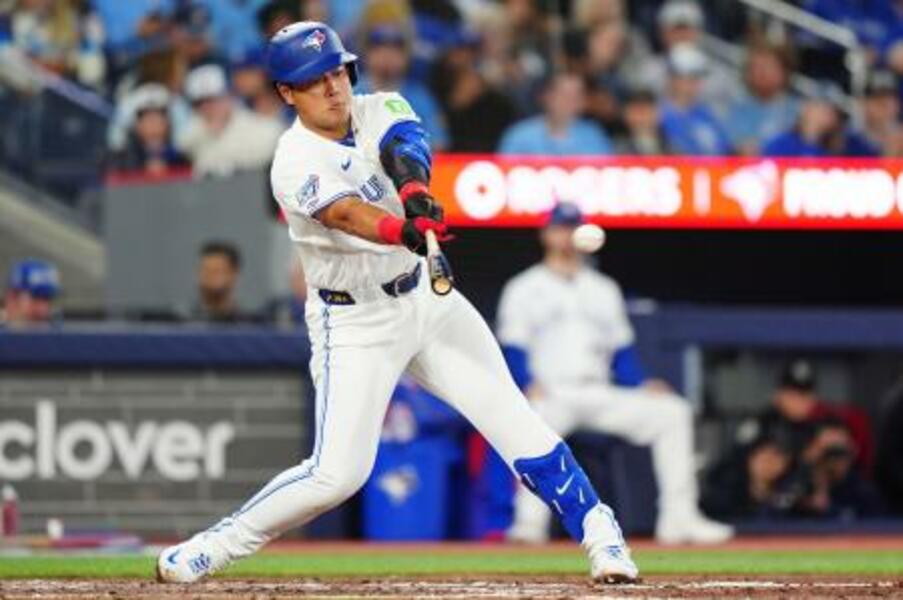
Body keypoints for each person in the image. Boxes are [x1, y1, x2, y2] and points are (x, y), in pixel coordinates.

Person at [156, 21, 638, 585]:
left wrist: (415, 195)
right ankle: (217, 543)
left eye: (337, 72)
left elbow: (405, 147)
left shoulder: (382, 104)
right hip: (354, 319)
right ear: (287, 92)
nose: (332, 87)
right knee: (336, 475)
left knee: (515, 422)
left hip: (426, 300)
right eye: (313, 80)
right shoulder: (291, 159)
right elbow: (344, 213)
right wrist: (399, 229)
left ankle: (601, 534)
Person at [497, 203, 733, 545]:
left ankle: (679, 519)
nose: (566, 234)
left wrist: (641, 383)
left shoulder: (603, 288)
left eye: (572, 227)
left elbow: (621, 353)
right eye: (560, 227)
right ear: (545, 234)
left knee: (673, 411)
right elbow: (513, 348)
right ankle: (528, 525)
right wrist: (526, 384)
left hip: (599, 390)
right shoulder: (524, 287)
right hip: (552, 392)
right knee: (534, 418)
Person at [176, 63, 285, 178]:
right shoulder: (195, 130)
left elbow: (264, 154)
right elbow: (182, 145)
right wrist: (209, 132)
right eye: (200, 103)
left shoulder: (264, 127)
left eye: (213, 99)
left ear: (229, 95)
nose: (208, 107)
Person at [354, 24, 449, 150]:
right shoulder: (350, 93)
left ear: (406, 57)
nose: (387, 56)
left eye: (396, 50)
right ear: (366, 55)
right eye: (379, 49)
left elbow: (439, 144)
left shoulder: (420, 97)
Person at [498, 71, 613, 156]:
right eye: (564, 95)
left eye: (577, 96)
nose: (571, 102)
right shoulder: (519, 136)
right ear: (547, 97)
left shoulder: (594, 136)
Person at [724, 45, 799, 156]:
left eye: (769, 67)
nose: (763, 73)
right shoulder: (735, 106)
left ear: (784, 72)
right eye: (757, 67)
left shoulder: (798, 111)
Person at [658, 44, 732, 156]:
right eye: (690, 77)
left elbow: (724, 148)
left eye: (697, 77)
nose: (695, 83)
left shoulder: (705, 113)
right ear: (673, 78)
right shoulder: (658, 115)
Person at [109, 82, 189, 175]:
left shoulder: (184, 158)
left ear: (168, 123)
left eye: (159, 117)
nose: (153, 125)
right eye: (147, 119)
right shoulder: (121, 164)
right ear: (137, 126)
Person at [192, 241, 244, 323]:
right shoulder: (183, 323)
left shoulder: (248, 325)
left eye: (217, 271)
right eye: (206, 270)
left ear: (233, 274)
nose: (209, 277)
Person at [1, 259, 60, 328]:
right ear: (12, 299)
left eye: (48, 299)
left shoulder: (59, 331)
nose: (43, 310)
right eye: (36, 298)